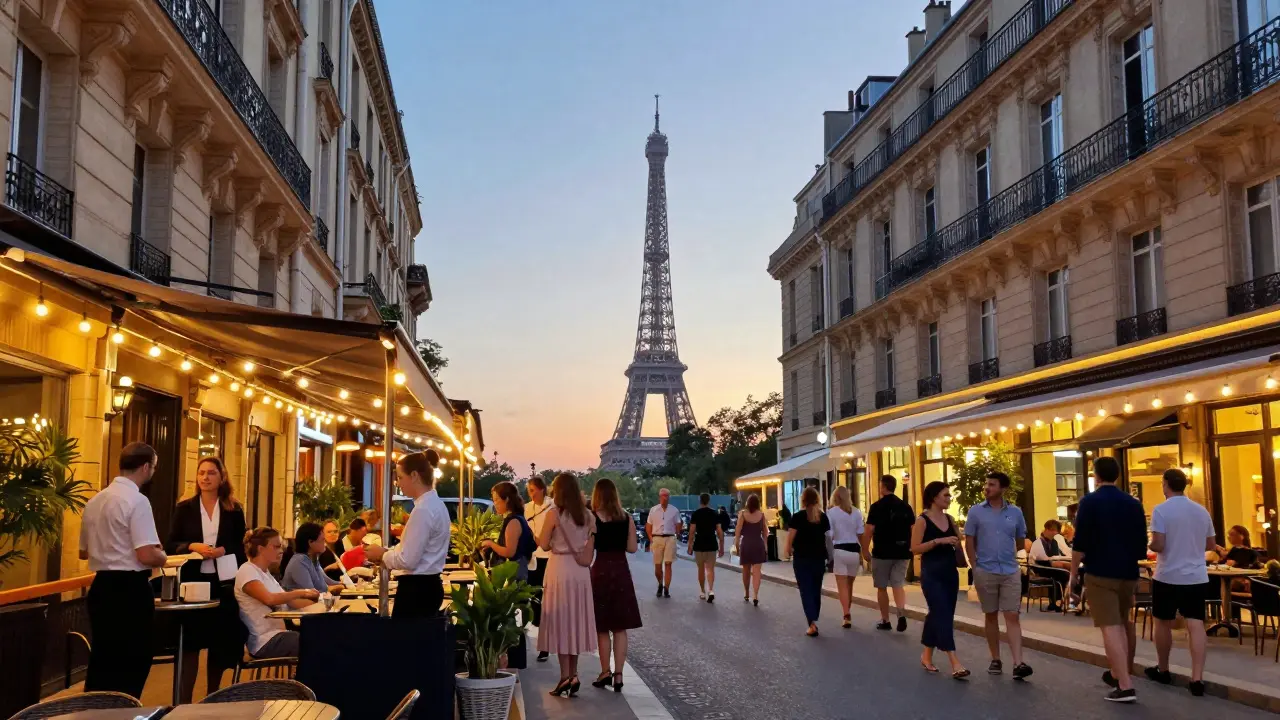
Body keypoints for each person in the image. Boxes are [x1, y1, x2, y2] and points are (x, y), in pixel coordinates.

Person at [80, 442, 168, 698]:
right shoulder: (137, 501)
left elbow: (83, 552)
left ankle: (95, 712)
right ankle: (123, 711)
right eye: (153, 467)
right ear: (145, 467)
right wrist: (162, 556)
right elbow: (146, 553)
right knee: (133, 660)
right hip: (129, 590)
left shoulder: (95, 501)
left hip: (101, 588)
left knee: (103, 659)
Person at [166, 456, 247, 701]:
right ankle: (184, 702)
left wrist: (223, 549)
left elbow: (241, 545)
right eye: (201, 473)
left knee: (220, 645)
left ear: (222, 477)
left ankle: (214, 696)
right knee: (190, 645)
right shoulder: (185, 508)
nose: (205, 478)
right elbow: (171, 543)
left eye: (211, 473)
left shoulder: (234, 509)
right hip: (193, 583)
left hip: (224, 583)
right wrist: (193, 546)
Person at [1069, 456, 1148, 703]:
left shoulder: (1089, 502)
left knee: (1110, 627)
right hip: (1128, 572)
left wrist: (1073, 575)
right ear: (1118, 476)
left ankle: (1124, 685)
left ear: (1096, 476)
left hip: (1100, 571)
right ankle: (1120, 672)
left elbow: (1079, 543)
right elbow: (1141, 544)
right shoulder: (1133, 503)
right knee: (1125, 622)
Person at [1146, 468, 1216, 697]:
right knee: (1195, 624)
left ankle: (1163, 669)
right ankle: (1197, 678)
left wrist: (1149, 544)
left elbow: (1158, 545)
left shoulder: (1161, 510)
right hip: (1196, 576)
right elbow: (1211, 545)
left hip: (1167, 574)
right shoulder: (1201, 510)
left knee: (1162, 623)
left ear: (1166, 484)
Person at [365, 451, 451, 617]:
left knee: (406, 640)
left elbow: (408, 560)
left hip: (417, 590)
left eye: (400, 477)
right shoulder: (436, 505)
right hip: (428, 586)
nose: (398, 483)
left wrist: (382, 554)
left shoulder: (423, 510)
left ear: (414, 476)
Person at [964, 471, 1031, 680]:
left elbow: (1021, 539)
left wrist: (1013, 556)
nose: (987, 488)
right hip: (986, 569)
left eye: (992, 485)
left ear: (1003, 489)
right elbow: (969, 541)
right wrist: (975, 568)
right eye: (986, 484)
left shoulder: (1016, 512)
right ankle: (995, 658)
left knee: (1012, 615)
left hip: (1010, 570)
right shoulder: (975, 512)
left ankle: (1018, 663)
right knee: (991, 614)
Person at [537, 473, 597, 697]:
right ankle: (575, 674)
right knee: (575, 622)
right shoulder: (587, 515)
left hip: (559, 569)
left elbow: (543, 545)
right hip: (580, 571)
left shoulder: (553, 514)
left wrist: (552, 540)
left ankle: (564, 677)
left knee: (562, 622)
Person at [911, 481, 969, 680]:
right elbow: (915, 548)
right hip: (931, 573)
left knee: (940, 614)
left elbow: (958, 543)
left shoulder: (950, 519)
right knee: (941, 613)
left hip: (949, 573)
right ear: (934, 497)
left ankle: (926, 656)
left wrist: (957, 540)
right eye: (946, 495)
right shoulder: (922, 520)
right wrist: (938, 541)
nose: (949, 498)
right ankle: (955, 661)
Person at [589, 478, 641, 692]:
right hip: (620, 571)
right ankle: (619, 674)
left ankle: (605, 671)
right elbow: (632, 548)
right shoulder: (627, 518)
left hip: (600, 571)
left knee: (602, 627)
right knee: (620, 627)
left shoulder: (593, 519)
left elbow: (588, 549)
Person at [234, 527, 318, 659]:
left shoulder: (265, 573)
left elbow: (292, 602)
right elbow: (270, 599)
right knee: (317, 643)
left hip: (278, 635)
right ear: (261, 549)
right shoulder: (247, 570)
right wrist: (301, 592)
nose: (281, 551)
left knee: (319, 636)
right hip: (264, 642)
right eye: (276, 547)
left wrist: (321, 600)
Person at [482, 480, 537, 671]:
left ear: (506, 500)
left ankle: (515, 660)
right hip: (517, 571)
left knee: (514, 617)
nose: (495, 504)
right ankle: (515, 659)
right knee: (515, 616)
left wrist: (490, 544)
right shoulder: (517, 519)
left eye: (497, 500)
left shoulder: (513, 521)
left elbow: (510, 551)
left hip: (513, 572)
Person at [865, 475, 913, 631]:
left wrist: (864, 549)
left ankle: (885, 620)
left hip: (882, 552)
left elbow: (869, 530)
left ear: (883, 487)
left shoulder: (876, 507)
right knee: (898, 584)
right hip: (902, 551)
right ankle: (901, 613)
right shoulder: (906, 506)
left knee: (881, 586)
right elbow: (913, 529)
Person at [785, 487, 829, 637]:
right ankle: (814, 615)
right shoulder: (822, 517)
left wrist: (787, 549)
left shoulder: (797, 517)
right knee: (816, 589)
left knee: (805, 589)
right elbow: (828, 538)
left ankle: (811, 623)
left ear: (803, 500)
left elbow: (790, 536)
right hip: (819, 558)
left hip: (802, 558)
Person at [827, 486, 865, 629]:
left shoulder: (831, 513)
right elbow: (860, 532)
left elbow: (830, 534)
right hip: (854, 550)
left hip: (840, 550)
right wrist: (864, 552)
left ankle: (846, 614)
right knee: (850, 585)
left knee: (841, 586)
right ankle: (847, 611)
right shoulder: (856, 512)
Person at [525, 475, 552, 660]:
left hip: (549, 557)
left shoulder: (553, 507)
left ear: (542, 489)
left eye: (533, 490)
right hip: (533, 558)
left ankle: (546, 644)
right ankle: (541, 633)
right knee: (535, 599)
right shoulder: (527, 508)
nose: (531, 494)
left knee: (548, 601)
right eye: (529, 491)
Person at [283, 522, 344, 595]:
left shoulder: (313, 559)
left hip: (315, 604)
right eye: (322, 540)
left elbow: (327, 582)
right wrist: (338, 587)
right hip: (302, 606)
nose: (324, 544)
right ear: (310, 542)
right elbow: (312, 593)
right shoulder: (299, 561)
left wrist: (346, 584)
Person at [1029, 519, 1072, 612]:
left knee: (1069, 569)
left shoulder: (1054, 542)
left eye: (1056, 531)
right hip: (1040, 567)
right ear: (1047, 529)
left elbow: (1056, 556)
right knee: (1062, 574)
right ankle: (1055, 602)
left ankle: (1066, 601)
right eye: (1053, 530)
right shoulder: (1038, 542)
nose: (1055, 533)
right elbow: (1040, 558)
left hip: (1052, 565)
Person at [646, 488, 682, 598]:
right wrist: (651, 539)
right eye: (663, 496)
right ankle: (660, 584)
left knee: (668, 563)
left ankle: (666, 588)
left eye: (666, 495)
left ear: (669, 497)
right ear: (659, 497)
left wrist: (677, 533)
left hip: (670, 537)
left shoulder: (674, 510)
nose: (665, 498)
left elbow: (679, 523)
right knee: (657, 566)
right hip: (657, 538)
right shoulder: (653, 510)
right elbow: (648, 526)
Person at [688, 493, 725, 602]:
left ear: (700, 501)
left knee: (700, 569)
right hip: (711, 543)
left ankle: (702, 591)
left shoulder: (696, 514)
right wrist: (722, 545)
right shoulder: (714, 513)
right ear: (708, 501)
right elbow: (719, 531)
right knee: (710, 568)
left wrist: (690, 545)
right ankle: (711, 589)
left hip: (699, 543)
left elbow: (691, 532)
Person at [734, 493, 768, 605]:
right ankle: (756, 595)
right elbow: (765, 532)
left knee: (746, 570)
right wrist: (765, 545)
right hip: (758, 544)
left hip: (746, 544)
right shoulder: (762, 515)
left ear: (747, 503)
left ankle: (746, 593)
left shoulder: (743, 514)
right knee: (757, 572)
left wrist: (736, 545)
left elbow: (738, 531)